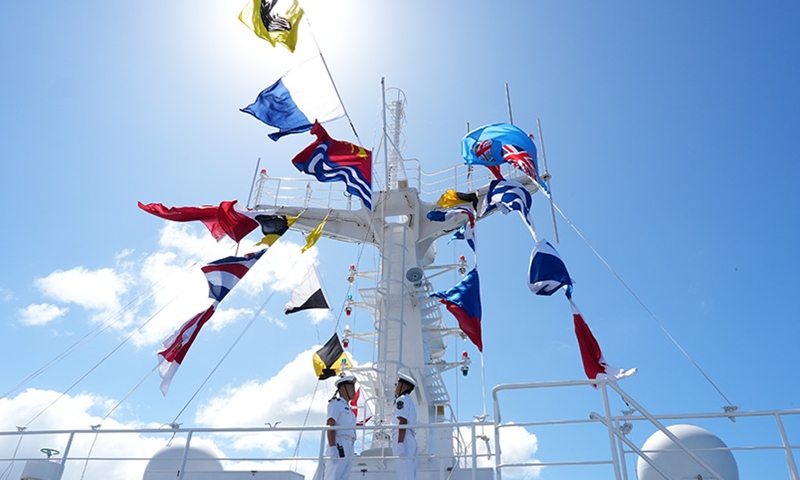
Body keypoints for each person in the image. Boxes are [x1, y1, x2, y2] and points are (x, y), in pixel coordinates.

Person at [326, 373, 358, 480]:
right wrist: (332, 447)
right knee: (334, 475)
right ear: (343, 390)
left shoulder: (348, 408)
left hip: (349, 444)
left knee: (344, 476)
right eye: (351, 388)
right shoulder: (336, 404)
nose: (354, 391)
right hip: (339, 442)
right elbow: (330, 424)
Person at [392, 372, 418, 480]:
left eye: (397, 385)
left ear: (404, 386)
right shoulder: (409, 400)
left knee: (404, 474)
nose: (396, 388)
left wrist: (400, 443)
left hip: (403, 438)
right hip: (409, 438)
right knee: (409, 474)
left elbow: (402, 421)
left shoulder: (401, 399)